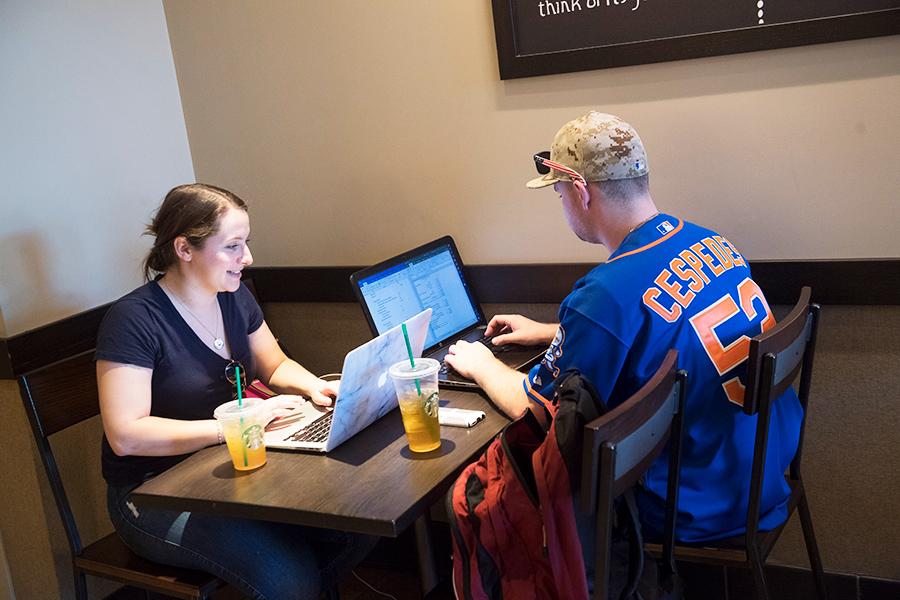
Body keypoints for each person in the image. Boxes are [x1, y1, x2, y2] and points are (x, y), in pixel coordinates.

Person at [444, 112, 802, 547]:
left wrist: (481, 365)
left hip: (690, 502)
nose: (561, 204)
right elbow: (679, 328)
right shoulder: (710, 241)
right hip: (758, 469)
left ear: (580, 191)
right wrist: (553, 333)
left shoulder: (604, 295)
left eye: (558, 193)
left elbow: (538, 411)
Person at [96, 183, 375, 600]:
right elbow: (126, 435)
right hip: (152, 494)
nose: (247, 258)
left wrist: (317, 387)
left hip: (230, 473)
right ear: (184, 249)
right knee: (288, 578)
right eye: (232, 246)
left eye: (245, 244)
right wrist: (235, 425)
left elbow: (275, 364)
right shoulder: (134, 320)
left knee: (356, 522)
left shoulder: (233, 296)